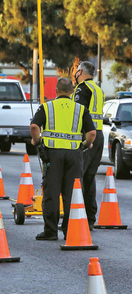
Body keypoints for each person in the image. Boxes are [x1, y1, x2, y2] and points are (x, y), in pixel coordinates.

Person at [30, 77, 96, 241]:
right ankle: (69, 229)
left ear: (56, 91)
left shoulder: (47, 107)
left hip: (52, 155)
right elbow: (92, 133)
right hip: (74, 155)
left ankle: (51, 231)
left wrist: (36, 141)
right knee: (71, 193)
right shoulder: (80, 109)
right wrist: (86, 144)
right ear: (72, 91)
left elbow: (34, 127)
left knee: (52, 192)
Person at [72, 61, 105, 229]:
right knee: (90, 178)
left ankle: (79, 216)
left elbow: (78, 112)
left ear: (81, 72)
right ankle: (90, 218)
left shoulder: (82, 88)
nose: (75, 74)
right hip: (99, 135)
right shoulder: (98, 89)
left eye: (77, 71)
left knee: (78, 176)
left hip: (88, 135)